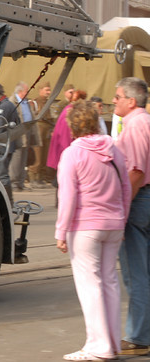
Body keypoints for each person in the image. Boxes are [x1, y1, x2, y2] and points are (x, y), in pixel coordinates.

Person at [55, 101, 130, 362]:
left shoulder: (72, 154)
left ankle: (98, 347)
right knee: (109, 282)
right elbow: (126, 187)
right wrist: (122, 218)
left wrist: (60, 231)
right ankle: (111, 343)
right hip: (114, 224)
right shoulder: (113, 148)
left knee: (90, 286)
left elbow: (68, 197)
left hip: (85, 227)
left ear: (73, 125)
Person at [112, 77, 150, 356]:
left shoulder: (136, 126)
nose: (114, 100)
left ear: (131, 101)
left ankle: (138, 337)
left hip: (139, 201)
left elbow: (135, 172)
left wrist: (123, 208)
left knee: (136, 273)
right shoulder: (146, 122)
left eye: (117, 96)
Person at [8, 82, 40, 191]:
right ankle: (13, 183)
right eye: (27, 90)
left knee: (23, 160)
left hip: (27, 133)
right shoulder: (12, 101)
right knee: (16, 159)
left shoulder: (26, 102)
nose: (28, 92)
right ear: (20, 91)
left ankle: (21, 183)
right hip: (18, 134)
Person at [0, 82, 19, 203]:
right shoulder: (10, 104)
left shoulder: (3, 107)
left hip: (1, 146)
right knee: (2, 174)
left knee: (2, 176)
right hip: (9, 145)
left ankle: (8, 203)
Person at [30, 82, 55, 188]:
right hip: (38, 131)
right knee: (38, 157)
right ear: (40, 90)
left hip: (46, 131)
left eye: (49, 90)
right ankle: (33, 178)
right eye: (46, 90)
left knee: (44, 156)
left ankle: (40, 178)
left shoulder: (48, 102)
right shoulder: (35, 102)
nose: (48, 92)